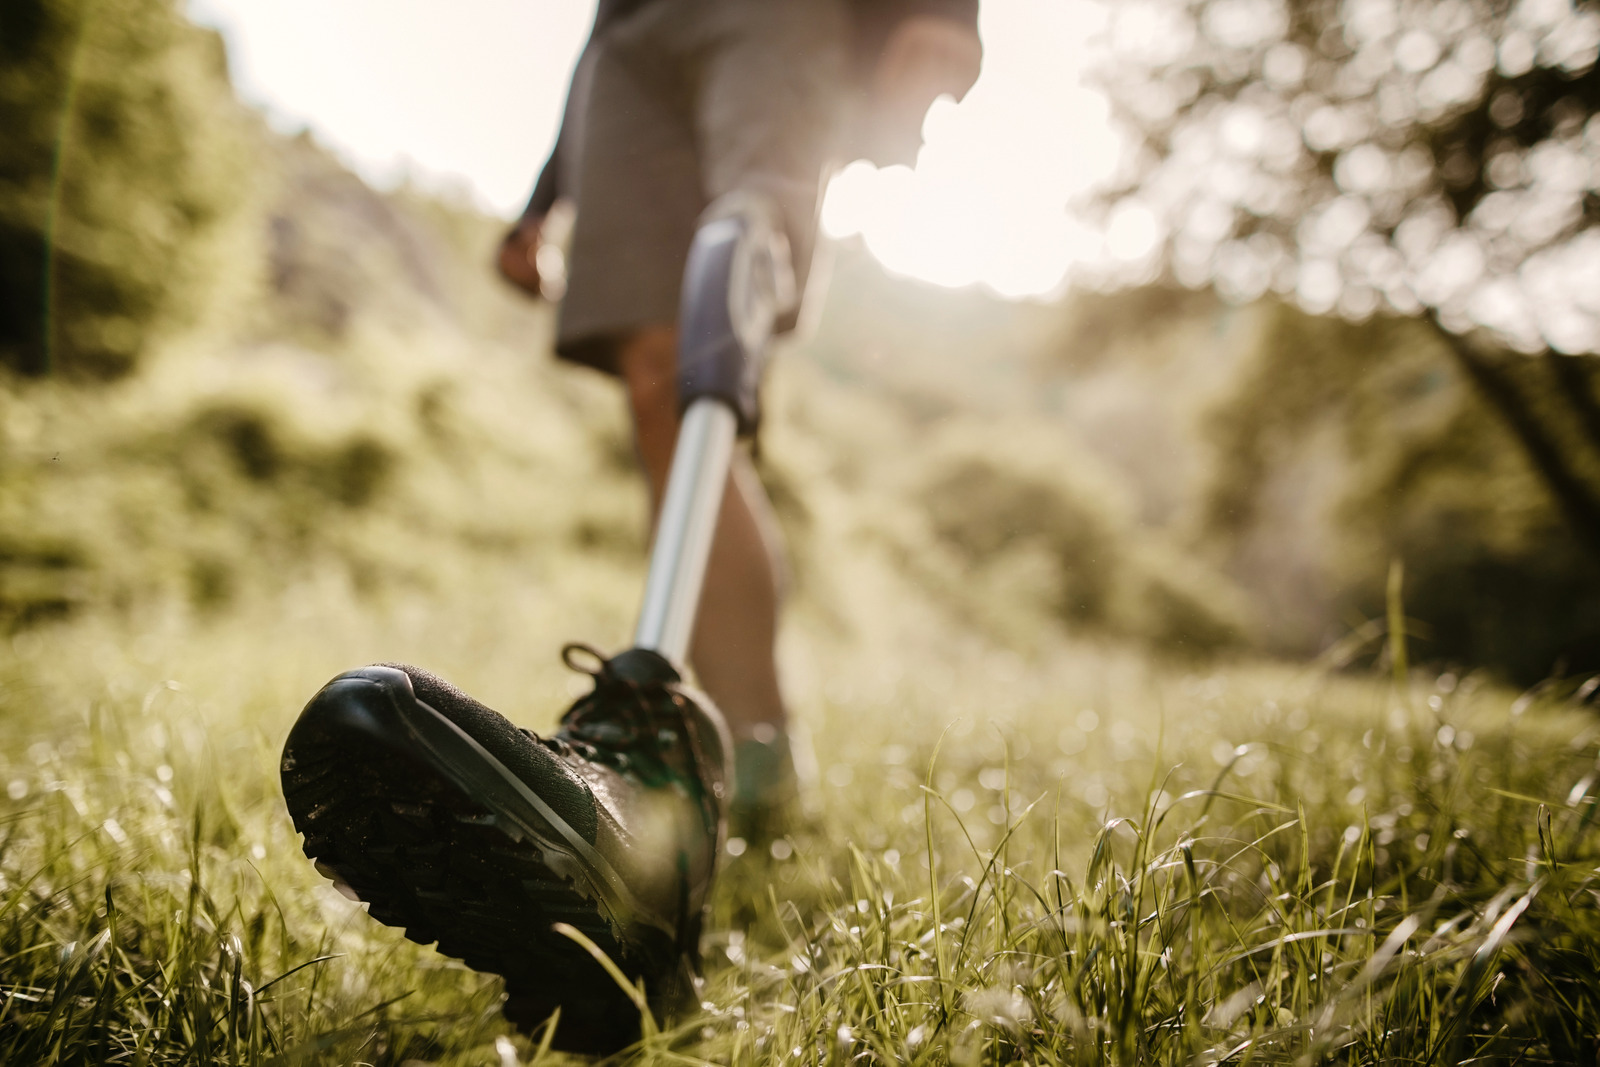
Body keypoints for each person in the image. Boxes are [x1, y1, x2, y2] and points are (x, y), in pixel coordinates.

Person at [281, 0, 980, 1054]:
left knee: (733, 276)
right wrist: (543, 196)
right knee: (658, 383)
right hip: (633, 36)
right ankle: (688, 792)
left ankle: (705, 756)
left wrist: (941, 12)